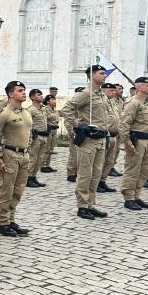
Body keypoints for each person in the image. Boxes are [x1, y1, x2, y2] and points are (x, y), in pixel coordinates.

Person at [60, 65, 115, 220]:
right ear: (92, 75)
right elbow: (66, 109)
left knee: (96, 174)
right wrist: (78, 125)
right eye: (102, 73)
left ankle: (91, 204)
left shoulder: (102, 95)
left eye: (105, 73)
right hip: (89, 141)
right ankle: (82, 206)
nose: (105, 76)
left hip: (101, 139)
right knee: (85, 174)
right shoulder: (86, 93)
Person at [0, 81, 33, 237]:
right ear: (11, 94)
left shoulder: (26, 113)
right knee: (6, 190)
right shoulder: (4, 113)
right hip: (10, 155)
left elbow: (30, 134)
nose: (24, 93)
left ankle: (11, 219)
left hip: (24, 155)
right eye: (20, 90)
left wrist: (28, 151)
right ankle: (3, 222)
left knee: (18, 190)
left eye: (24, 90)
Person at [119, 77, 148, 210]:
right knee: (132, 170)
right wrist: (127, 143)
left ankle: (136, 195)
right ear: (138, 87)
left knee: (144, 171)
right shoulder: (133, 103)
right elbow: (123, 124)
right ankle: (128, 198)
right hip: (138, 140)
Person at [97, 83, 121, 193]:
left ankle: (103, 181)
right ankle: (96, 183)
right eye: (111, 90)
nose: (114, 92)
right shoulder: (101, 101)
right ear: (104, 90)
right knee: (100, 161)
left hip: (114, 136)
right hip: (105, 135)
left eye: (114, 90)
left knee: (109, 161)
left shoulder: (112, 102)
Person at [25, 89, 48, 188]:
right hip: (36, 137)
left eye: (41, 94)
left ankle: (34, 177)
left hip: (44, 136)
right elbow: (27, 124)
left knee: (40, 159)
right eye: (39, 95)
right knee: (33, 158)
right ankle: (28, 178)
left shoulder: (43, 109)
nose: (41, 96)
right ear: (32, 97)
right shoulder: (30, 110)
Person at [65, 86, 86, 182]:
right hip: (74, 131)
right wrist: (70, 132)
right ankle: (71, 173)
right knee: (74, 153)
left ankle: (77, 172)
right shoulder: (73, 104)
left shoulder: (83, 104)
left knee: (80, 153)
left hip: (82, 132)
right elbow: (67, 120)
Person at [40, 95, 59, 173]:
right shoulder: (45, 109)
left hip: (54, 130)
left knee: (51, 148)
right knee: (46, 148)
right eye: (52, 99)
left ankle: (48, 164)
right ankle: (43, 165)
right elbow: (44, 120)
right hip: (49, 129)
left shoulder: (55, 110)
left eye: (55, 99)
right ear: (48, 101)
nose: (54, 101)